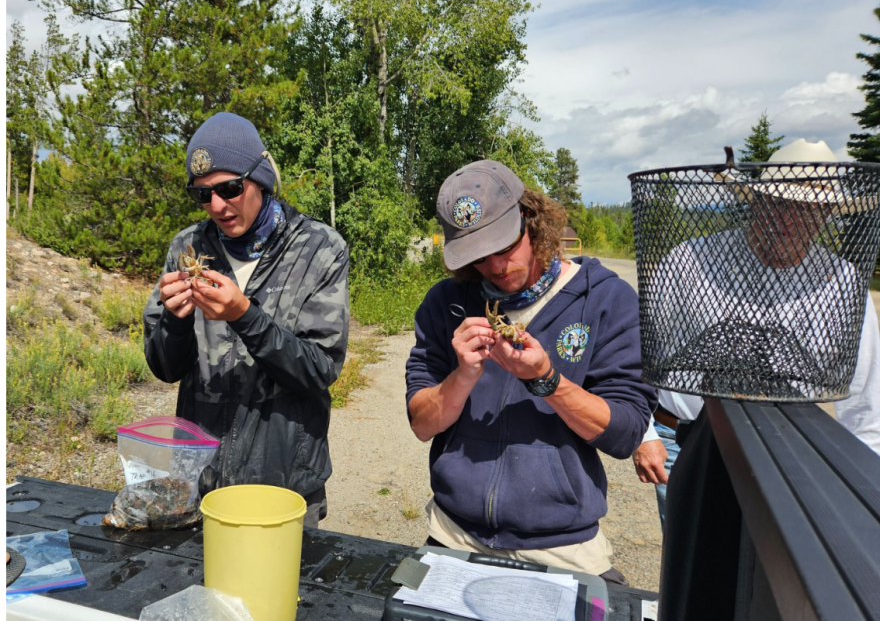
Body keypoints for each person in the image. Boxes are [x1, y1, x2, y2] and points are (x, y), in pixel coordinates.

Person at [405, 160, 657, 585]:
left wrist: (547, 380)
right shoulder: (446, 303)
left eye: (504, 246)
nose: (496, 267)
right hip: (453, 534)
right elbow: (421, 424)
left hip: (563, 548)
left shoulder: (606, 299)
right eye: (479, 256)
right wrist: (463, 375)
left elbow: (626, 433)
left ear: (530, 218)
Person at [631, 139, 880, 532]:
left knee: (766, 577)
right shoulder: (689, 260)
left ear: (828, 214)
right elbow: (638, 355)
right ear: (756, 201)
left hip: (792, 453)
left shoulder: (845, 284)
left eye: (808, 209)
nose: (788, 219)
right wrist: (642, 433)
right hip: (683, 443)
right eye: (778, 203)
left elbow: (868, 405)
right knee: (694, 570)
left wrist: (862, 489)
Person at [143, 113, 349, 528]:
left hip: (284, 484)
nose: (217, 206)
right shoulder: (187, 247)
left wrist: (245, 317)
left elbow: (319, 368)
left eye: (230, 188)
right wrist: (175, 322)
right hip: (197, 480)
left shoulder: (320, 248)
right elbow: (164, 368)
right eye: (202, 195)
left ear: (261, 179)